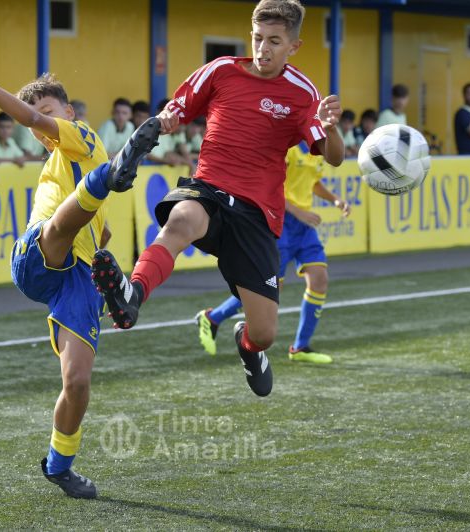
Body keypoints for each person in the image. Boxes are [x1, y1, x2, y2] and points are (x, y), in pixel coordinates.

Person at [90, 0, 344, 398]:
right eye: (258, 38)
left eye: (274, 42)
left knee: (264, 333)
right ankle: (131, 294)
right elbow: (178, 108)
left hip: (258, 214)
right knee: (180, 222)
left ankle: (248, 346)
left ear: (293, 46)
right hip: (209, 188)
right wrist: (167, 120)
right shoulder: (221, 70)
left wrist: (332, 129)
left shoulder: (302, 93)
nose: (263, 49)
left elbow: (332, 155)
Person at [0, 64, 160, 499]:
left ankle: (60, 466)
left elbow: (105, 235)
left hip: (76, 278)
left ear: (70, 112)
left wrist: (108, 276)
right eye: (34, 118)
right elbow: (34, 124)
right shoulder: (67, 153)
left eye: (45, 111)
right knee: (60, 227)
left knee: (77, 384)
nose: (38, 124)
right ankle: (110, 176)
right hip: (38, 255)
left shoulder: (80, 136)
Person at [195, 141, 350, 363]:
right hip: (281, 221)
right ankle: (212, 318)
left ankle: (300, 347)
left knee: (319, 278)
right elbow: (269, 185)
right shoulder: (289, 146)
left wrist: (335, 200)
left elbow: (313, 182)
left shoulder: (318, 147)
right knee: (268, 288)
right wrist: (298, 212)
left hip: (303, 226)